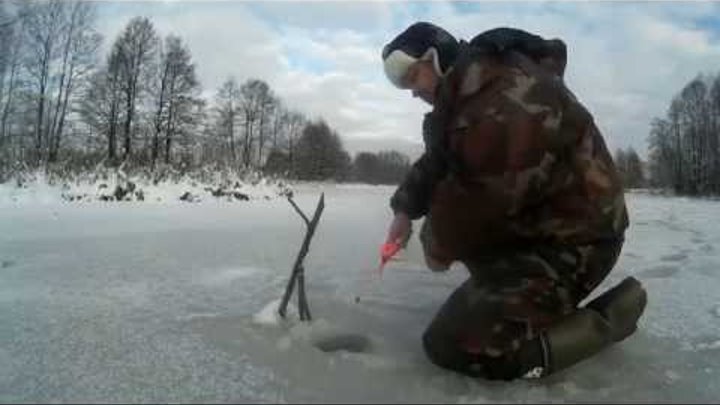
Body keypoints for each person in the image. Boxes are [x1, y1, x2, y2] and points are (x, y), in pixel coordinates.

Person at [380, 22, 648, 380]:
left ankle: (598, 325)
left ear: (438, 58)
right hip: (537, 230)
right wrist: (404, 210)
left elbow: (480, 199)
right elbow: (438, 162)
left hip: (575, 244)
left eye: (415, 77)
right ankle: (525, 306)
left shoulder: (504, 96)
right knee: (474, 262)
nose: (413, 92)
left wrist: (437, 246)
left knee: (451, 344)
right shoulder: (465, 101)